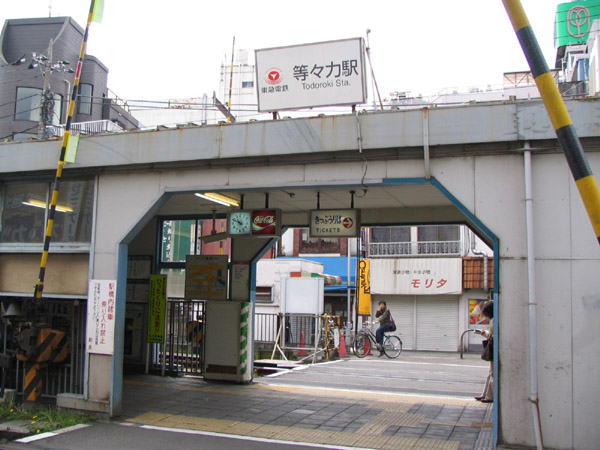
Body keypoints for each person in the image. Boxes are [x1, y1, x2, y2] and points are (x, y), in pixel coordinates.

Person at [475, 301, 494, 403]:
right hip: (493, 348)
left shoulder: (493, 321)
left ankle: (489, 396)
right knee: (490, 373)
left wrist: (483, 333)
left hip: (493, 349)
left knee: (492, 373)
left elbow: (491, 336)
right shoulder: (495, 320)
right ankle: (485, 394)